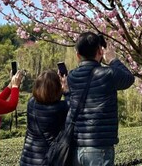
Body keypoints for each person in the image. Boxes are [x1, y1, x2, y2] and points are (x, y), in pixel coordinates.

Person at [67, 31, 135, 166]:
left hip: (76, 145)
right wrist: (112, 59)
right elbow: (129, 78)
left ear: (77, 55)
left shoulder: (72, 76)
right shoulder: (107, 74)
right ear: (100, 51)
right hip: (99, 146)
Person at [20, 69, 69, 166]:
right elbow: (73, 106)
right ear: (57, 88)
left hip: (28, 159)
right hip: (48, 160)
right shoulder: (62, 108)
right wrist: (66, 90)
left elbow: (43, 91)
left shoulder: (31, 103)